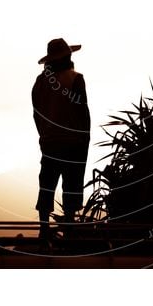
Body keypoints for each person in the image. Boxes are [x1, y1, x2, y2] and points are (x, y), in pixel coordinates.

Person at [31, 38, 91, 240]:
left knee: (47, 183)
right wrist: (84, 140)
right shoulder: (76, 79)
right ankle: (69, 226)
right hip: (73, 143)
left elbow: (36, 114)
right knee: (71, 184)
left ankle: (44, 228)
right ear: (67, 57)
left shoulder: (40, 83)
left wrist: (44, 136)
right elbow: (83, 114)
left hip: (49, 143)